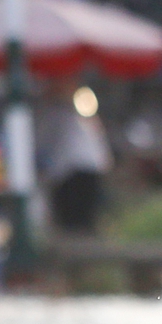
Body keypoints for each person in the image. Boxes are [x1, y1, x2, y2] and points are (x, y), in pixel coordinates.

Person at [42, 80, 112, 234]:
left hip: (72, 171)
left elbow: (47, 142)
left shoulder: (66, 113)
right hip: (85, 169)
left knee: (74, 221)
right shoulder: (75, 113)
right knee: (83, 220)